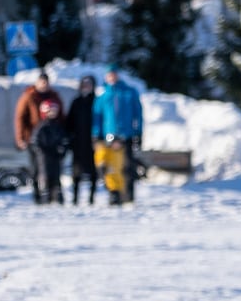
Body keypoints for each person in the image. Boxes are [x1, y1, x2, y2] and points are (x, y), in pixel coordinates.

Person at [13, 73, 68, 205]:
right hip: (34, 139)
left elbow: (61, 117)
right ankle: (38, 195)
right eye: (41, 82)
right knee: (37, 169)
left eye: (46, 82)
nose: (44, 85)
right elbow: (20, 118)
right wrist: (21, 138)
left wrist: (63, 137)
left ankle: (54, 195)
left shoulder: (54, 96)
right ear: (37, 83)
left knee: (54, 170)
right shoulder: (29, 96)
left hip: (52, 140)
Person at [92, 65, 143, 206]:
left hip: (126, 135)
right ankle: (114, 194)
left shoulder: (129, 93)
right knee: (110, 166)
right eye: (109, 75)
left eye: (114, 74)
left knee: (127, 166)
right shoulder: (103, 96)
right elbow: (97, 117)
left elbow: (137, 114)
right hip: (108, 136)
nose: (112, 77)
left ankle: (128, 195)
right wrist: (96, 134)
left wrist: (138, 132)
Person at [64, 75, 99, 205]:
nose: (86, 87)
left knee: (93, 172)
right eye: (84, 84)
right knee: (76, 172)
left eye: (89, 84)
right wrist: (69, 138)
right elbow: (69, 122)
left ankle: (91, 198)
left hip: (93, 142)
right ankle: (75, 198)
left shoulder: (97, 101)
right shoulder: (76, 101)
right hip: (78, 143)